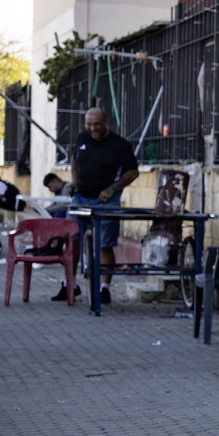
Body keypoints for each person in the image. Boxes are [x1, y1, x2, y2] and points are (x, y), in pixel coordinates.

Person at [64, 107, 139, 303]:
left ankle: (104, 288)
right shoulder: (82, 138)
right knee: (71, 239)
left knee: (105, 244)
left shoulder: (119, 145)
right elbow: (74, 161)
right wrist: (74, 181)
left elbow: (132, 172)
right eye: (89, 125)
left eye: (96, 124)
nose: (93, 129)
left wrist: (113, 189)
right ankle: (70, 284)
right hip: (81, 198)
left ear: (106, 122)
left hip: (106, 200)